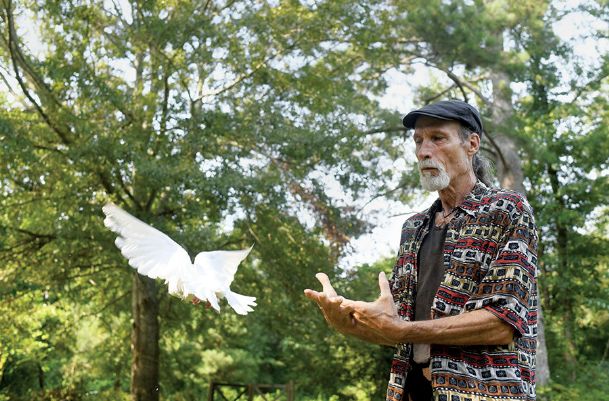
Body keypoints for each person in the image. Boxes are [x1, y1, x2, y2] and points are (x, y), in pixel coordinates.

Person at [304, 100, 538, 401]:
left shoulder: (506, 209)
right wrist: (348, 324)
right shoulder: (413, 228)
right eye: (418, 141)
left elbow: (502, 324)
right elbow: (401, 328)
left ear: (472, 144)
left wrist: (403, 331)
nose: (424, 151)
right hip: (411, 390)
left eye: (438, 138)